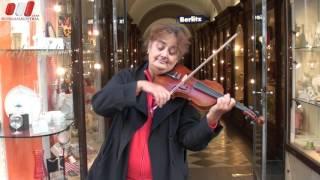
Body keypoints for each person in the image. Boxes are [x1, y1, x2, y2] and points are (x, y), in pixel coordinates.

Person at [87, 24, 236, 180]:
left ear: (177, 59)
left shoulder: (182, 93)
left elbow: (191, 141)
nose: (164, 54)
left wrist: (212, 117)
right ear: (149, 48)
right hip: (117, 173)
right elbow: (99, 104)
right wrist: (140, 86)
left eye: (173, 52)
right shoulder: (127, 78)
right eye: (160, 47)